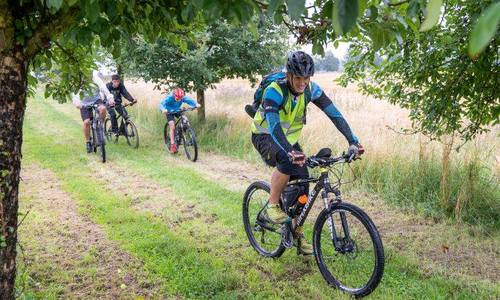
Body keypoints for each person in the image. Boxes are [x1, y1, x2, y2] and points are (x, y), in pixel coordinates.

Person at [250, 51, 364, 255]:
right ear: (289, 76)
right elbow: (274, 127)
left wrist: (353, 141)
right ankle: (273, 205)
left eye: (306, 78)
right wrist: (289, 152)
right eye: (298, 78)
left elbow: (335, 115)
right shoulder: (275, 91)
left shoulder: (312, 90)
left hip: (289, 140)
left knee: (303, 185)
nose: (302, 83)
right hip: (264, 135)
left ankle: (297, 232)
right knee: (286, 159)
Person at [73, 70, 115, 153]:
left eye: (90, 73)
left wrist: (110, 98)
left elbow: (104, 89)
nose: (89, 75)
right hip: (84, 103)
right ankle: (88, 142)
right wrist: (77, 102)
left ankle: (100, 125)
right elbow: (75, 94)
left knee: (103, 108)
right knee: (86, 122)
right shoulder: (79, 81)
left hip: (96, 100)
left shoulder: (96, 79)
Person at [159, 88, 200, 153]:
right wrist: (163, 109)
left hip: (177, 110)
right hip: (169, 111)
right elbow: (161, 104)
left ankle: (187, 133)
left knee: (185, 119)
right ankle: (173, 145)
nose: (179, 100)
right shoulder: (169, 97)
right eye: (177, 99)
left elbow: (189, 100)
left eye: (180, 99)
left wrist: (195, 104)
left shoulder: (182, 96)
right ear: (174, 96)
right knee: (172, 126)